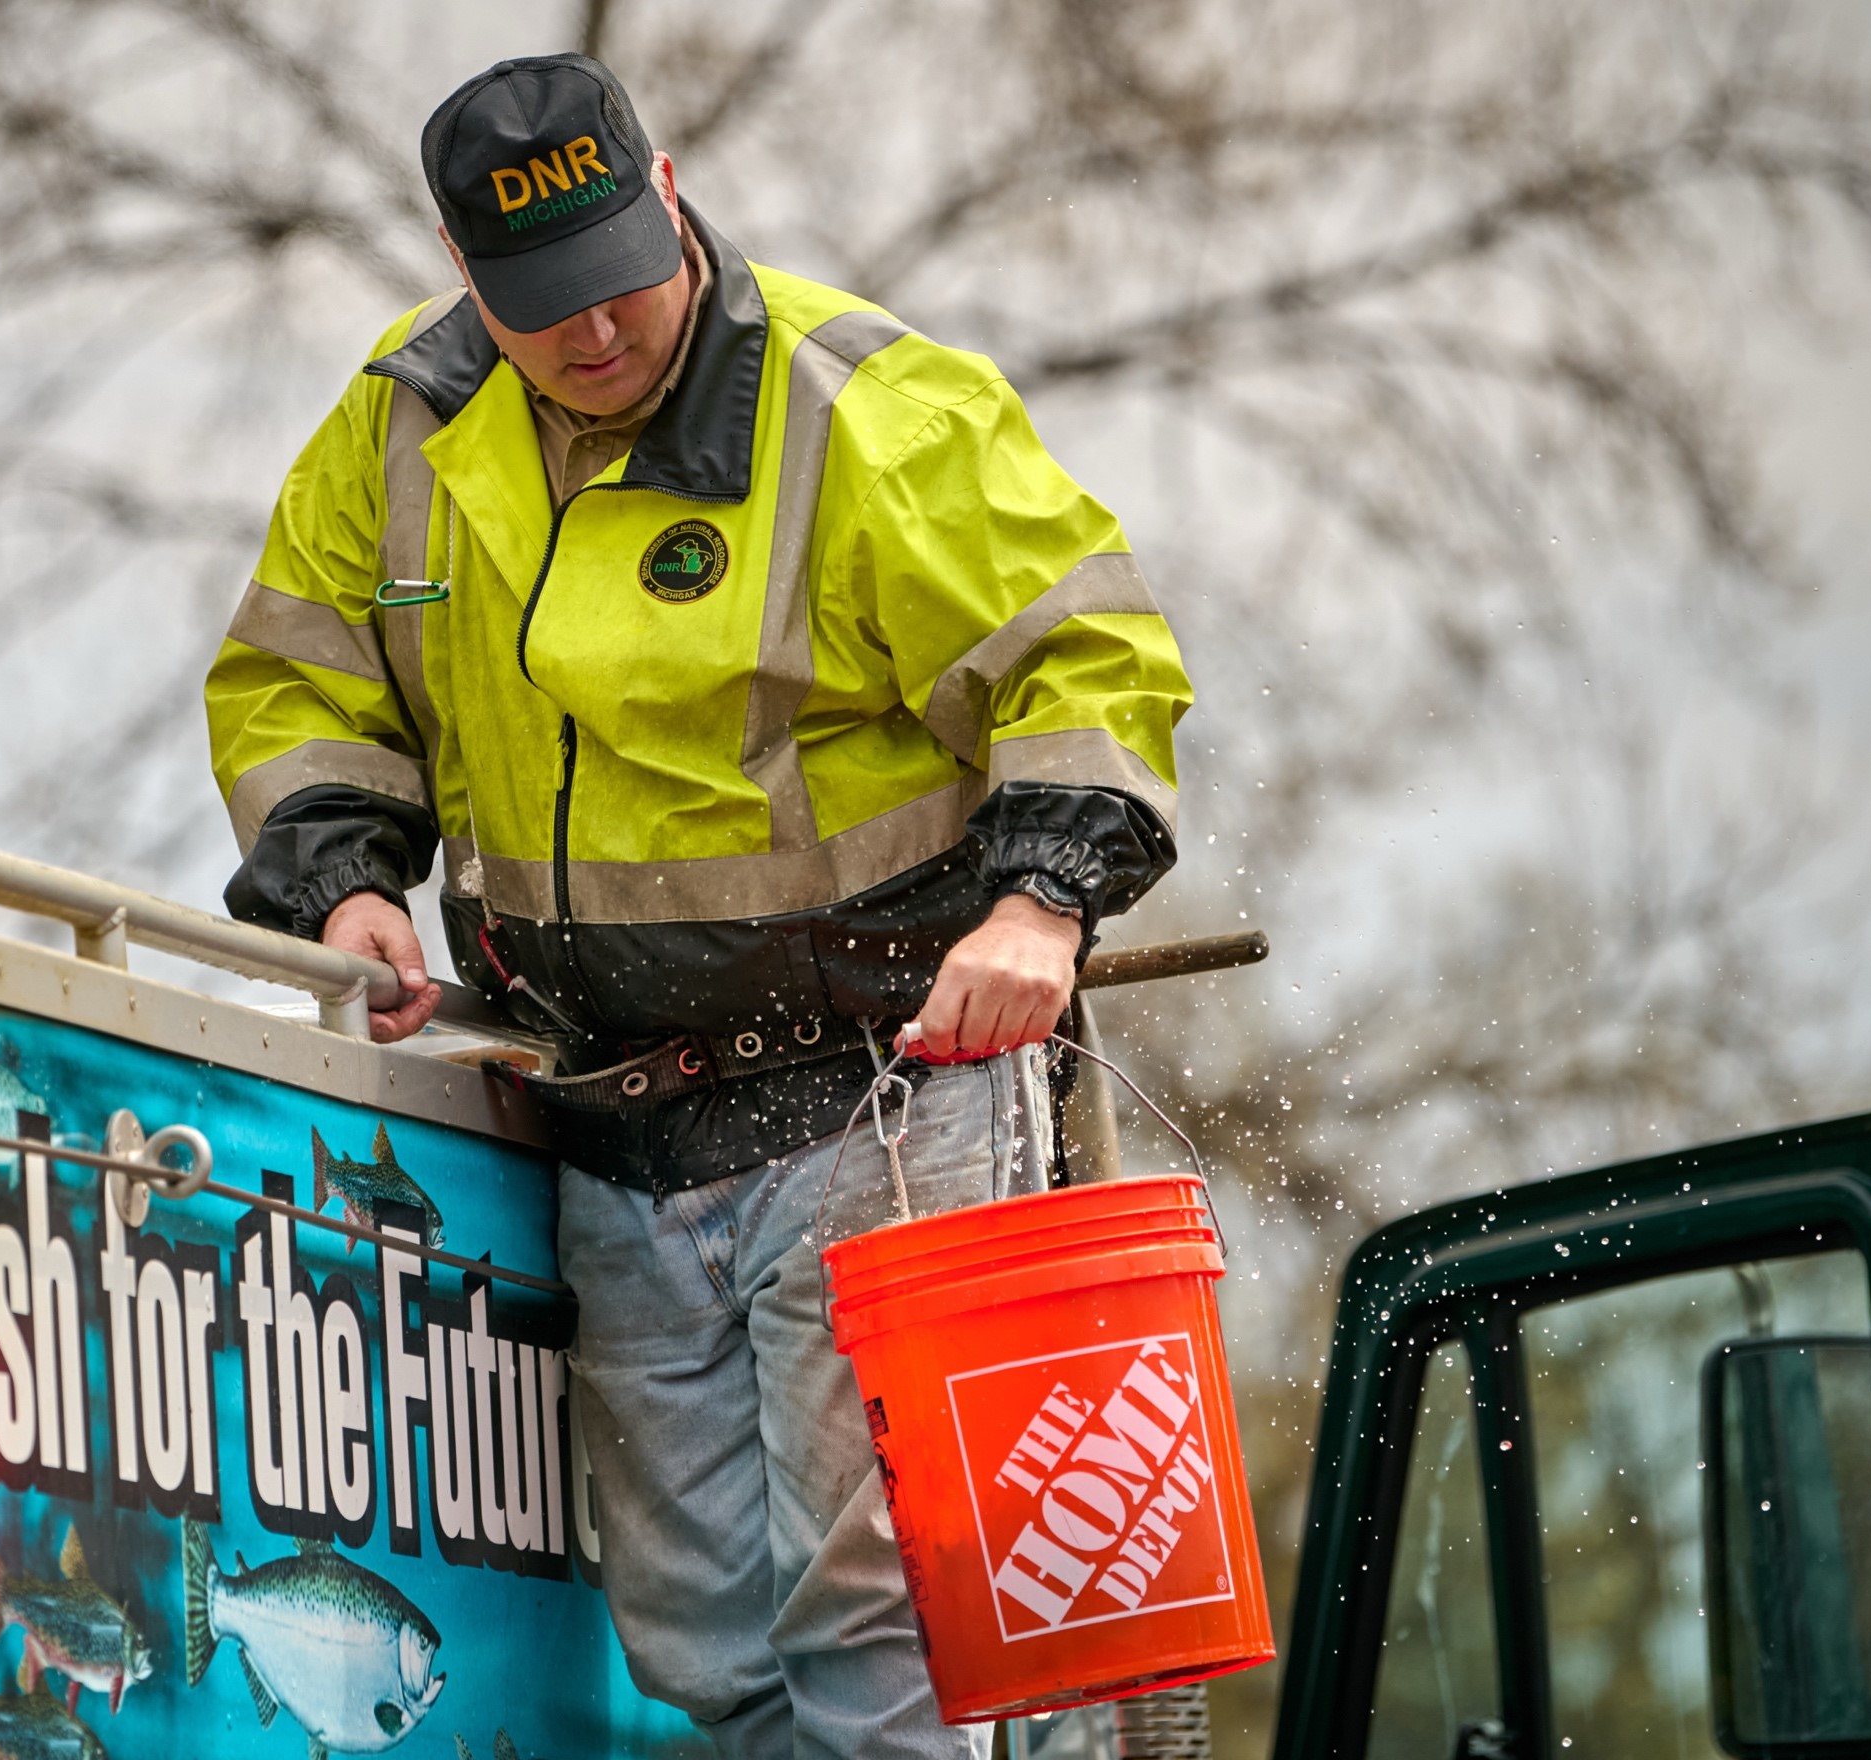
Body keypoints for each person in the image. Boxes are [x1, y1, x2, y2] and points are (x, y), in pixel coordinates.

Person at [205, 52, 1193, 1760]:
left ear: (666, 192)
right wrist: (346, 883)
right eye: (543, 303)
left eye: (619, 275)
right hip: (615, 1125)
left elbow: (1086, 655)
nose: (595, 332)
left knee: (869, 1617)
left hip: (882, 1100)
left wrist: (1042, 903)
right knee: (700, 1639)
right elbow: (298, 679)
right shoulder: (404, 422)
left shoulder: (861, 407)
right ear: (461, 271)